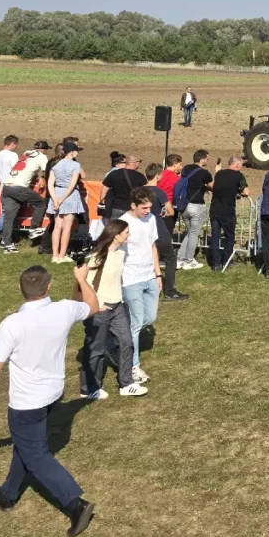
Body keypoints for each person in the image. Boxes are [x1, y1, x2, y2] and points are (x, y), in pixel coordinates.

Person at [0, 265, 100, 537]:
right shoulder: (65, 309)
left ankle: (75, 504)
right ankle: (7, 494)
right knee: (26, 445)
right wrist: (82, 279)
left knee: (36, 455)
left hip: (26, 403)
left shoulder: (12, 324)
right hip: (54, 394)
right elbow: (92, 305)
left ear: (20, 289)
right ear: (49, 286)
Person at [78, 220, 148, 399]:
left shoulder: (119, 254)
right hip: (100, 310)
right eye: (126, 232)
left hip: (117, 306)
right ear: (116, 235)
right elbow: (85, 283)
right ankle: (89, 389)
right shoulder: (97, 258)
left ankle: (126, 384)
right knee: (96, 350)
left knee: (127, 342)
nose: (128, 235)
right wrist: (97, 304)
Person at [120, 187, 163, 384]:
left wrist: (158, 274)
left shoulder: (151, 219)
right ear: (133, 205)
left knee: (150, 317)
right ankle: (133, 365)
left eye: (149, 207)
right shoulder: (123, 223)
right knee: (136, 323)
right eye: (144, 207)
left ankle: (120, 338)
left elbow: (152, 246)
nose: (147, 211)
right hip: (130, 278)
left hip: (149, 276)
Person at [144, 163, 188, 301]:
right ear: (158, 176)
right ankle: (169, 290)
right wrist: (164, 214)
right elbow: (171, 211)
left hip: (142, 229)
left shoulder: (137, 191)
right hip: (157, 228)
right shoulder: (159, 192)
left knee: (147, 258)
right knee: (170, 257)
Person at [0, 140, 50, 253]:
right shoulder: (42, 156)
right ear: (44, 150)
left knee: (9, 218)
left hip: (7, 187)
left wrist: (38, 176)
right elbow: (46, 170)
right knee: (41, 203)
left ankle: (6, 243)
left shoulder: (26, 154)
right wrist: (43, 178)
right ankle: (34, 229)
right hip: (19, 187)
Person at [176, 150, 218, 270]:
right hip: (196, 206)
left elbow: (192, 184)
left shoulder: (186, 169)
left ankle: (180, 259)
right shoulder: (204, 173)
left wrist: (202, 187)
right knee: (194, 234)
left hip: (184, 205)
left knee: (190, 233)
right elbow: (213, 187)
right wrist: (217, 173)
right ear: (202, 159)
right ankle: (189, 260)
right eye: (207, 159)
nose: (207, 161)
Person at [44, 142, 85, 264]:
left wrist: (55, 199)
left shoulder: (56, 165)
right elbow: (72, 184)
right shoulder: (75, 165)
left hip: (56, 193)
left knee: (57, 227)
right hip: (70, 196)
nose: (77, 153)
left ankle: (54, 255)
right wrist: (61, 199)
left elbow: (50, 184)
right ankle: (62, 255)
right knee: (67, 228)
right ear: (71, 152)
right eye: (76, 151)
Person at [209, 156, 249, 271]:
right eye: (240, 166)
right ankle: (226, 261)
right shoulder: (239, 176)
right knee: (229, 236)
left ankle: (216, 264)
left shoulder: (219, 174)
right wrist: (238, 192)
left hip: (214, 209)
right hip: (227, 210)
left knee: (215, 237)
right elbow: (246, 191)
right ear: (237, 165)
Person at [0, 135, 19, 244]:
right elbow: (17, 170)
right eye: (16, 145)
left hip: (2, 186)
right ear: (13, 144)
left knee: (5, 212)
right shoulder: (12, 155)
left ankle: (0, 236)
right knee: (8, 214)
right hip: (12, 185)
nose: (16, 148)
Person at [101, 154, 146, 220]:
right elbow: (144, 194)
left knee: (116, 229)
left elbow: (104, 190)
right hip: (132, 209)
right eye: (139, 162)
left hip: (116, 208)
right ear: (135, 163)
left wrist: (103, 204)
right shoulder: (140, 177)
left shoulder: (114, 174)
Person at [157, 154, 184, 235]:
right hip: (170, 206)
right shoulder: (177, 179)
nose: (181, 167)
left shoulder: (159, 175)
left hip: (157, 204)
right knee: (167, 231)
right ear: (175, 165)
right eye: (180, 164)